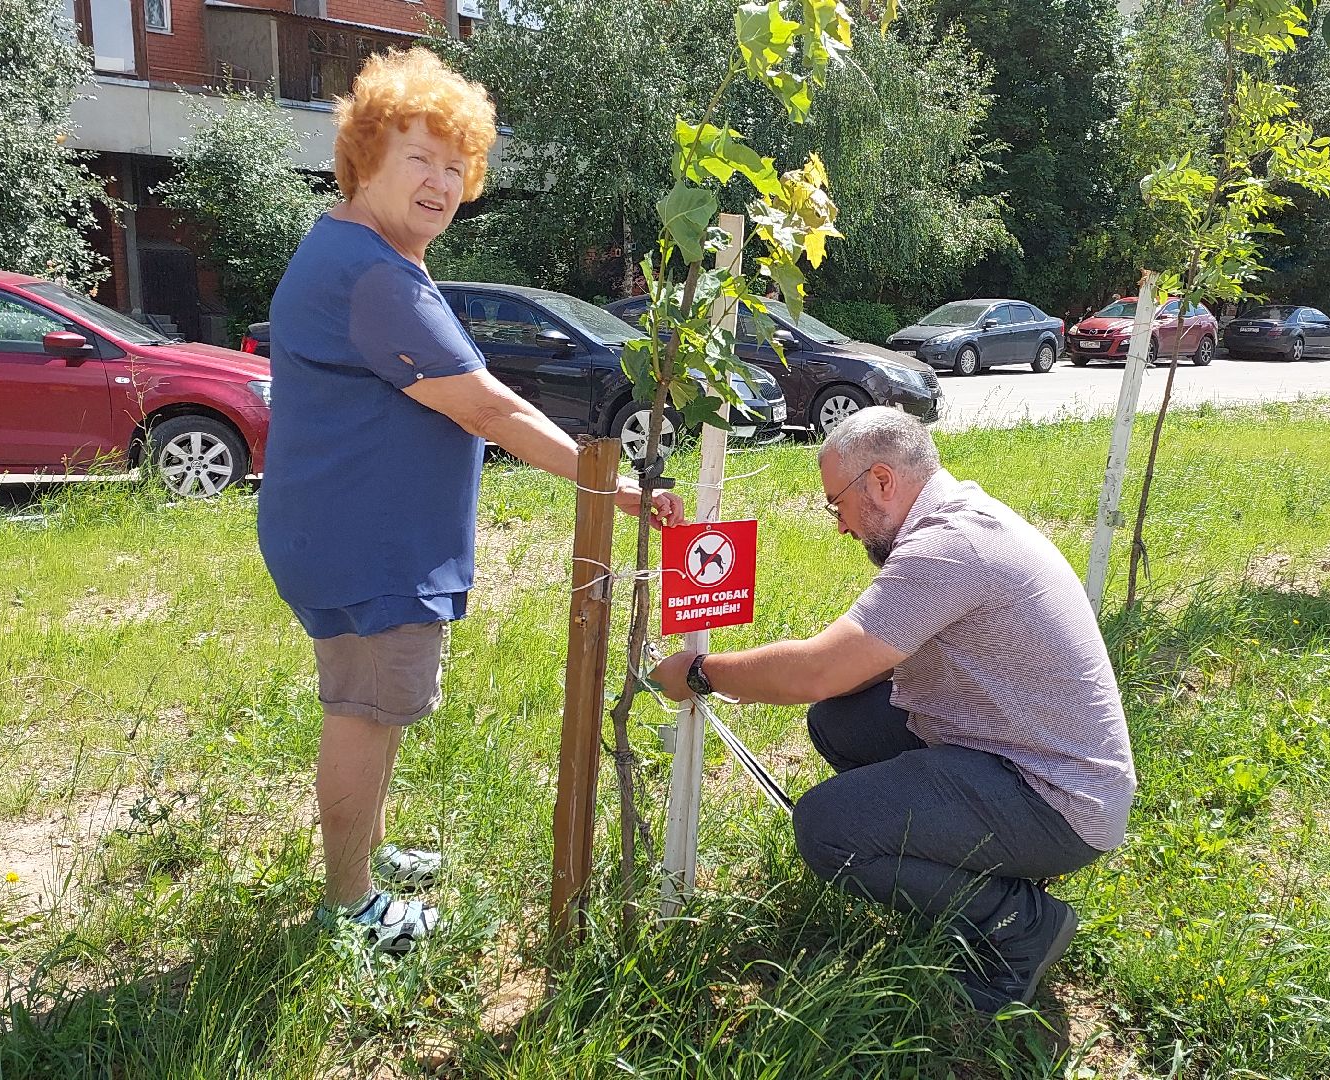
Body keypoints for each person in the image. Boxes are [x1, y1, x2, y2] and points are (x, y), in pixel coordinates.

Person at [256, 47, 683, 954]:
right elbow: (487, 404)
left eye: (457, 166)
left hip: (352, 533)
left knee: (375, 702)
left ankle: (366, 851)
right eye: (419, 157)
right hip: (367, 544)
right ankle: (351, 905)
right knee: (366, 709)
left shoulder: (358, 252)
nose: (441, 182)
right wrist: (602, 481)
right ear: (365, 155)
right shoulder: (371, 272)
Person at [650, 408, 1135, 1012]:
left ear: (881, 479)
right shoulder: (961, 520)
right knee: (840, 721)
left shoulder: (948, 549)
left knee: (826, 829)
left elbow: (820, 668)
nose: (841, 527)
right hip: (1022, 755)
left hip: (1058, 799)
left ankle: (1019, 924)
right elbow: (863, 666)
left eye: (837, 505)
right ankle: (959, 867)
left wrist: (699, 672)